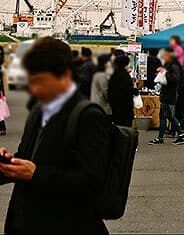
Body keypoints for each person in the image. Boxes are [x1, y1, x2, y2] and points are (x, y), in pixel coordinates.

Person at [0, 37, 111, 234]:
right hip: (25, 221)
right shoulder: (38, 112)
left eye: (41, 81)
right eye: (31, 81)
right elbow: (27, 158)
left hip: (66, 224)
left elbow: (93, 182)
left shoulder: (88, 116)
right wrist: (8, 164)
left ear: (65, 75)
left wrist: (36, 174)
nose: (34, 89)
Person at [149, 47, 184, 145]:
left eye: (165, 54)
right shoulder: (169, 65)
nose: (163, 56)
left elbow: (174, 79)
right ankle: (161, 137)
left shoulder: (173, 66)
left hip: (170, 96)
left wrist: (164, 73)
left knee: (169, 116)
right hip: (166, 95)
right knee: (164, 116)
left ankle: (181, 134)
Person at [108, 55, 137, 128]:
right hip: (125, 107)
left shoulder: (114, 75)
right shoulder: (125, 75)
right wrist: (135, 91)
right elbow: (128, 90)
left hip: (115, 107)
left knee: (118, 128)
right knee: (126, 128)